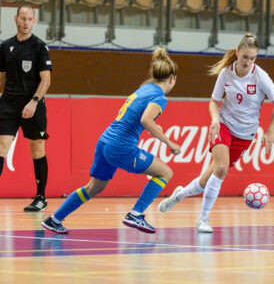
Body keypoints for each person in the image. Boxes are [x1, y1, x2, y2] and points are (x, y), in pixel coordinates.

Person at [41, 48, 181, 234]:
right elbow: (145, 120)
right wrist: (169, 142)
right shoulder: (160, 97)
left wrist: (155, 129)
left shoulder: (144, 88)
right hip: (121, 147)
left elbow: (137, 117)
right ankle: (136, 214)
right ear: (172, 79)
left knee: (94, 187)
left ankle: (54, 219)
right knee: (165, 172)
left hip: (105, 142)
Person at [157, 33, 274, 233]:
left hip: (245, 135)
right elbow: (214, 101)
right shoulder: (226, 73)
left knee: (205, 180)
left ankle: (179, 195)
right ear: (237, 53)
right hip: (224, 125)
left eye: (252, 58)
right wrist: (215, 120)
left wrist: (271, 129)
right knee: (222, 169)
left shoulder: (261, 77)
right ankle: (203, 219)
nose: (248, 62)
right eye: (245, 57)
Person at [0, 3, 52, 212]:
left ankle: (41, 197)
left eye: (30, 19)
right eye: (23, 18)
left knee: (37, 149)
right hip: (8, 104)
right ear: (16, 19)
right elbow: (1, 76)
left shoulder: (39, 47)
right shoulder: (5, 46)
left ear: (34, 21)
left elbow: (46, 80)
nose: (26, 23)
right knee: (1, 147)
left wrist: (34, 101)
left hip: (32, 104)